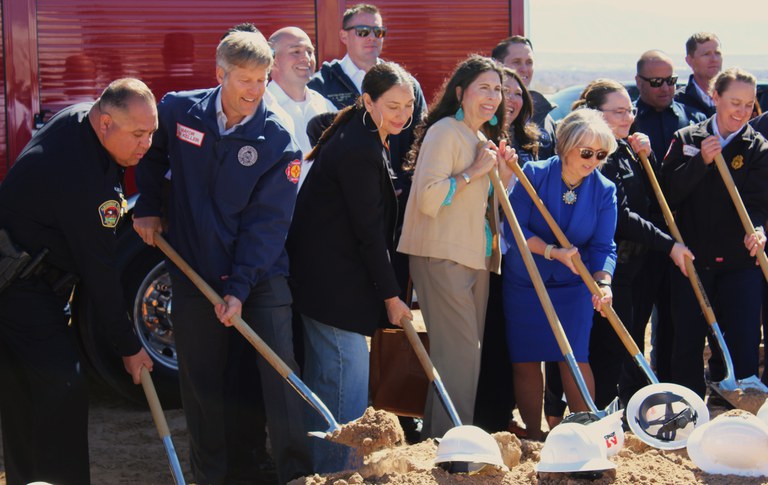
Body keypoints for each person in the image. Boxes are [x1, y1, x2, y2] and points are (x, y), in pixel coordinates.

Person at [132, 31, 310, 484]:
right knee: (201, 383)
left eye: (262, 79)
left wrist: (239, 288)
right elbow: (149, 156)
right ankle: (210, 475)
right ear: (220, 74)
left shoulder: (276, 137)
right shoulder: (177, 111)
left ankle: (296, 474)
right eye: (245, 79)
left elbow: (267, 225)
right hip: (194, 268)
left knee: (279, 374)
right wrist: (150, 206)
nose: (254, 90)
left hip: (260, 273)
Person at [0, 78, 155, 485]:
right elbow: (101, 277)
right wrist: (129, 347)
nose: (146, 144)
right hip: (22, 286)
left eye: (151, 132)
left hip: (25, 272)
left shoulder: (77, 118)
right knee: (61, 390)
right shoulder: (87, 183)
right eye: (138, 134)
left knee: (22, 392)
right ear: (105, 123)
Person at [287, 62, 414, 473]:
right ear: (367, 101)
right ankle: (337, 473)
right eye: (392, 105)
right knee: (345, 388)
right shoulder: (359, 147)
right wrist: (392, 296)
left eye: (408, 105)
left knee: (330, 383)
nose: (402, 115)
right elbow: (368, 233)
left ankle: (323, 470)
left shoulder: (363, 134)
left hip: (327, 283)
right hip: (333, 288)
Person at [398, 55, 517, 439]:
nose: (494, 96)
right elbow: (429, 199)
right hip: (442, 257)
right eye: (484, 87)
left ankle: (438, 444)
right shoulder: (445, 131)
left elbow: (480, 207)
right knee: (462, 360)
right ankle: (454, 453)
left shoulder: (481, 138)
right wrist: (473, 173)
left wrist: (500, 175)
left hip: (475, 258)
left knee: (459, 362)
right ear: (461, 91)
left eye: (498, 89)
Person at [572, 79, 694, 408]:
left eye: (630, 110)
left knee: (631, 343)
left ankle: (630, 411)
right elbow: (623, 217)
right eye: (619, 111)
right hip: (613, 265)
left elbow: (654, 198)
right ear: (596, 114)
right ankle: (599, 411)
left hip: (638, 265)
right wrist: (669, 245)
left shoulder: (624, 148)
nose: (628, 117)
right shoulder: (600, 157)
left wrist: (648, 157)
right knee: (610, 347)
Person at [503, 109, 617, 441]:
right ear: (566, 146)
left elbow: (603, 245)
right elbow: (514, 230)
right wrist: (552, 252)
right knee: (525, 359)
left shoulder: (604, 189)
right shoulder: (532, 175)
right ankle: (534, 435)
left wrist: (603, 282)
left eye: (601, 154)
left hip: (574, 285)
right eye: (586, 152)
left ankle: (587, 432)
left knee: (574, 356)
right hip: (527, 282)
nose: (593, 160)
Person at [661, 67, 768, 398]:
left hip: (740, 263)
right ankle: (688, 407)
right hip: (694, 262)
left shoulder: (757, 147)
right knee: (688, 341)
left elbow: (760, 203)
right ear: (715, 97)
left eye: (749, 105)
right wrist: (701, 163)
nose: (741, 112)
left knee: (743, 339)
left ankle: (738, 405)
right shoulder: (687, 139)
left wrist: (760, 230)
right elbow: (668, 194)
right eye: (734, 102)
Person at [632, 49, 706, 385]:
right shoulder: (629, 120)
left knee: (678, 323)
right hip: (642, 238)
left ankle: (674, 392)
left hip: (683, 236)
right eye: (656, 82)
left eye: (671, 81)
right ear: (639, 82)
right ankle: (634, 392)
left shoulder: (692, 118)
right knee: (637, 320)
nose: (665, 88)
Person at [474, 67, 539, 434]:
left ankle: (505, 413)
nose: (510, 99)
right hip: (487, 254)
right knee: (491, 335)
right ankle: (488, 417)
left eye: (517, 93)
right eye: (502, 91)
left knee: (515, 338)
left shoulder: (531, 141)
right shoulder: (476, 137)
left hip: (524, 255)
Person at [267, 26, 337, 188]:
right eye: (295, 51)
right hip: (278, 212)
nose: (306, 58)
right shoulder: (259, 108)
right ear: (273, 60)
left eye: (310, 51)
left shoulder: (326, 106)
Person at [491, 35, 557, 159]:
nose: (524, 69)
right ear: (496, 65)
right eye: (516, 62)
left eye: (529, 63)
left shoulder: (544, 116)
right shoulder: (486, 114)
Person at [675, 32, 723, 118]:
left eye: (717, 53)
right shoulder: (678, 102)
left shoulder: (735, 98)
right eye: (706, 54)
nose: (714, 59)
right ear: (689, 60)